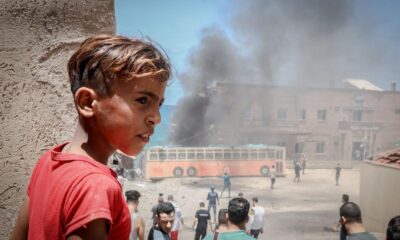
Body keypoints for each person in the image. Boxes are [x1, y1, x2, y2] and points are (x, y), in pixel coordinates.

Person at [10, 35, 171, 240]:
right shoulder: (96, 187)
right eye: (142, 100)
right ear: (87, 102)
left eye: (159, 105)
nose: (156, 118)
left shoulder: (48, 161)